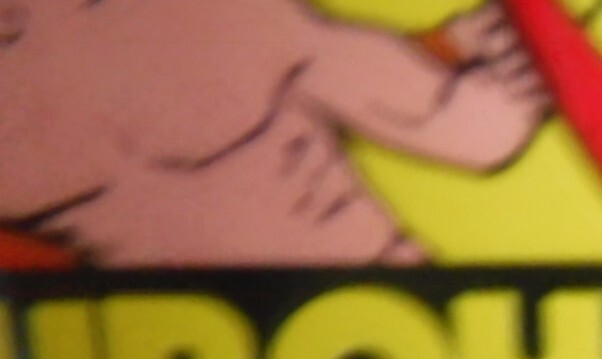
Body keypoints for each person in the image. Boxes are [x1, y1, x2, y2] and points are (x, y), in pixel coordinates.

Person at [0, 0, 548, 268]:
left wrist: (458, 45)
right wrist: (526, 54)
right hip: (383, 315)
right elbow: (483, 133)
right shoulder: (207, 15)